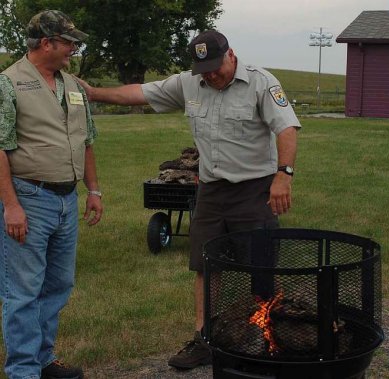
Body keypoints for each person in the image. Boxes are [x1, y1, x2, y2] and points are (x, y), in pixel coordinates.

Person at [77, 30, 300, 370]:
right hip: (210, 190)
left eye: (214, 66)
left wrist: (283, 175)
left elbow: (286, 128)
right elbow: (139, 93)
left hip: (254, 189)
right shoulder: (189, 83)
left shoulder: (261, 83)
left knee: (261, 265)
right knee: (204, 264)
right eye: (203, 69)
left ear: (231, 54)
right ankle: (205, 339)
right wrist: (94, 93)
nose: (210, 75)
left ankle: (268, 334)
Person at [0, 10, 103, 379]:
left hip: (67, 200)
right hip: (29, 197)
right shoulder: (9, 83)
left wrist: (93, 190)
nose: (74, 48)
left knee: (58, 284)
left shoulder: (73, 85)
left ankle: (43, 361)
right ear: (47, 43)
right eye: (69, 42)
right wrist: (11, 206)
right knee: (23, 290)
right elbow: (0, 146)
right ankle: (23, 371)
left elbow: (86, 139)